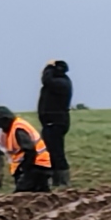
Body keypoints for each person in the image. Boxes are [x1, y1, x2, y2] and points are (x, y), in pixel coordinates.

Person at [0, 109, 55, 192]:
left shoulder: (18, 129)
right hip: (37, 165)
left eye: (0, 124)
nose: (0, 128)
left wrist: (24, 169)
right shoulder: (13, 128)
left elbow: (30, 150)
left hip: (36, 166)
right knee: (40, 195)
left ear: (5, 120)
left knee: (21, 195)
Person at [38, 59, 73, 187]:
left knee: (57, 152)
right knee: (51, 152)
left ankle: (62, 181)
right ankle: (56, 181)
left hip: (56, 122)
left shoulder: (61, 83)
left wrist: (48, 67)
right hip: (51, 122)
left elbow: (46, 80)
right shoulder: (62, 82)